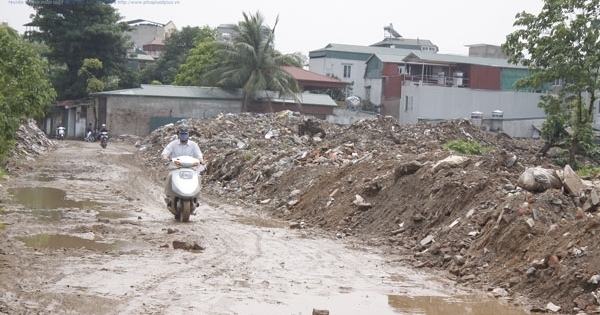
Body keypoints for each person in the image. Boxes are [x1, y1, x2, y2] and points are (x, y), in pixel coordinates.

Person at [161, 123, 204, 207]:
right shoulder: (173, 144)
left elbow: (199, 155)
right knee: (170, 176)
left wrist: (201, 160)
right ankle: (168, 196)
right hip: (176, 168)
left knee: (198, 177)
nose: (183, 136)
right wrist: (165, 157)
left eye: (185, 134)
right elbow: (165, 152)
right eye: (182, 134)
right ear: (178, 134)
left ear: (188, 135)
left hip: (191, 169)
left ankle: (196, 197)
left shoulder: (193, 145)